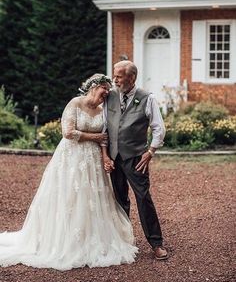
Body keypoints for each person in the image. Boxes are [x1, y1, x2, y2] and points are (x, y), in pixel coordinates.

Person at [0, 74, 138, 270]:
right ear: (94, 87)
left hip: (93, 162)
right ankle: (63, 240)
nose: (106, 94)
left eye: (108, 91)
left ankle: (92, 238)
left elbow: (104, 138)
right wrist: (95, 136)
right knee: (70, 196)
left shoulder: (102, 110)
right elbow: (68, 132)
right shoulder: (75, 103)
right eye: (104, 89)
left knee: (93, 198)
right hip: (71, 159)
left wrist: (105, 156)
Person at [102, 61, 169, 260]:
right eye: (114, 75)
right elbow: (104, 126)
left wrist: (151, 151)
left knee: (143, 198)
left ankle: (156, 243)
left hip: (136, 158)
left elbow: (159, 127)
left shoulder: (147, 98)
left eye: (119, 76)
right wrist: (105, 155)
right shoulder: (110, 96)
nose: (114, 79)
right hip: (114, 157)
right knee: (119, 199)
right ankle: (123, 242)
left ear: (132, 78)